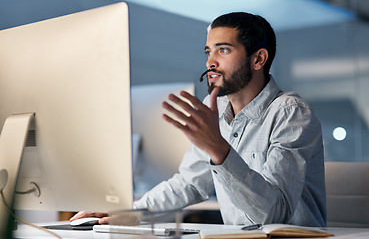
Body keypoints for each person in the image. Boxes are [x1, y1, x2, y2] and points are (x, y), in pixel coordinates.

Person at [71, 12, 326, 227]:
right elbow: (190, 183)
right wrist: (129, 213)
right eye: (208, 51)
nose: (210, 62)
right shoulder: (216, 109)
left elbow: (273, 215)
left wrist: (219, 149)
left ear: (258, 59)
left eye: (223, 50)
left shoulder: (290, 113)